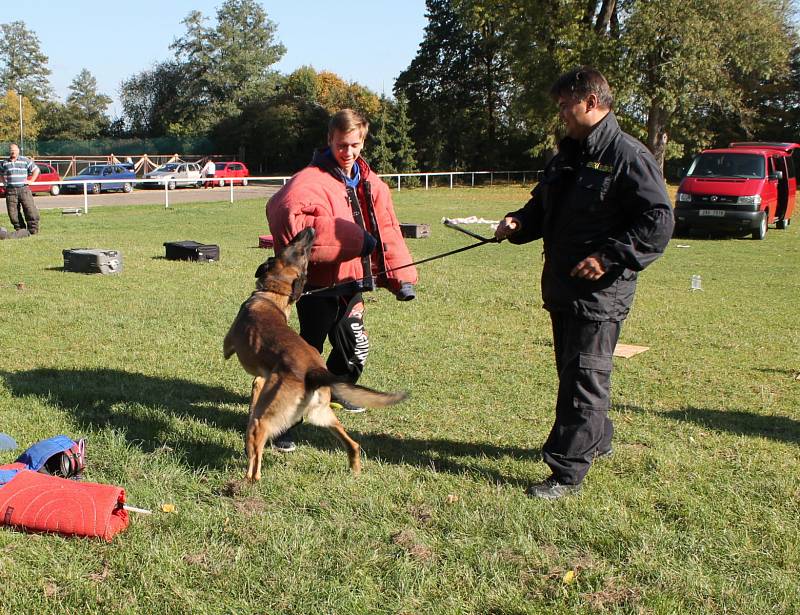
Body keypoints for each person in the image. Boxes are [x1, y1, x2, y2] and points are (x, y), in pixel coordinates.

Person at [494, 67, 674, 499]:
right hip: (563, 287)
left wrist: (610, 257)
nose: (561, 113)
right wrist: (519, 222)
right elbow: (542, 204)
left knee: (584, 376)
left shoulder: (628, 156)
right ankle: (598, 439)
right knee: (575, 371)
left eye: (565, 104)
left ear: (591, 102)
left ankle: (567, 472)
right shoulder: (569, 154)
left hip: (601, 292)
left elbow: (658, 220)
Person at [267, 108, 418, 452]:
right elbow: (285, 215)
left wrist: (401, 276)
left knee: (354, 348)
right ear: (329, 141)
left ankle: (334, 389)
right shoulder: (309, 180)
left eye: (354, 144)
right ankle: (281, 423)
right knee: (306, 355)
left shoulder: (371, 183)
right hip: (319, 286)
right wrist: (334, 241)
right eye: (340, 144)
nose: (347, 152)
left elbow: (388, 232)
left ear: (363, 141)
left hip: (353, 282)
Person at [1, 144, 40, 234]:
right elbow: (1, 173)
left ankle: (33, 230)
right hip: (10, 191)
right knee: (13, 213)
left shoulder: (25, 160)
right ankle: (21, 231)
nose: (13, 151)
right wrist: (4, 182)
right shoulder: (4, 162)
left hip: (24, 189)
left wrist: (31, 181)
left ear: (18, 150)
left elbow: (36, 170)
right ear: (9, 151)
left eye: (14, 150)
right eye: (11, 150)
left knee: (30, 210)